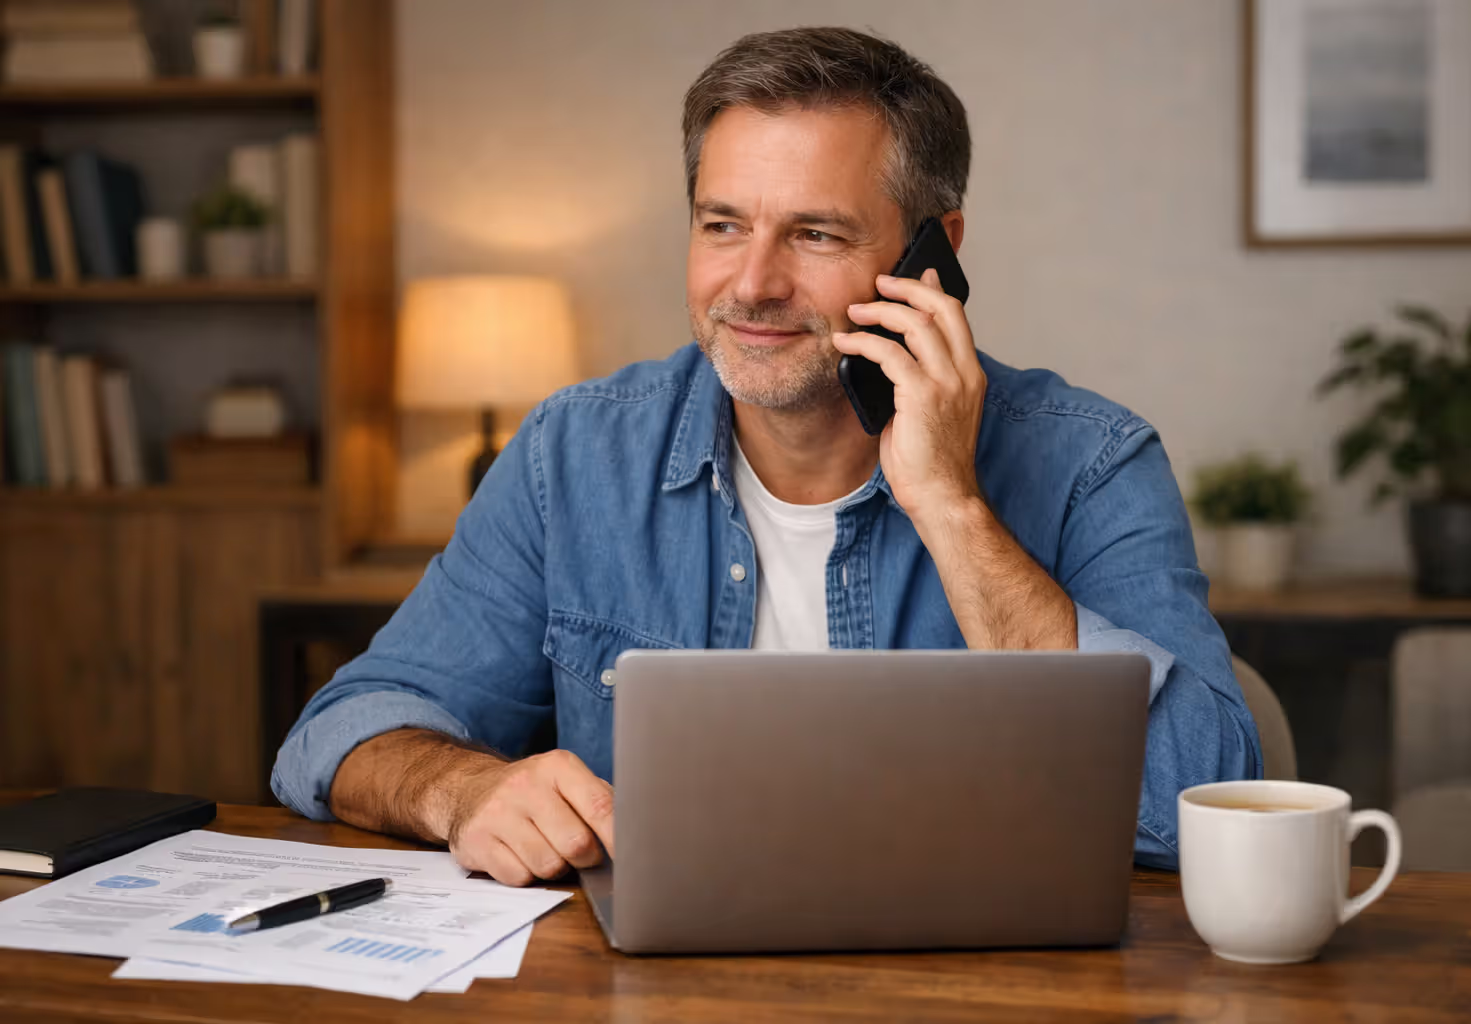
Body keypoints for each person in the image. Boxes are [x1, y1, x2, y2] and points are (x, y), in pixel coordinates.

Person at [273, 26, 1260, 882]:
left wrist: (951, 509)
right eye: (722, 225)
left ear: (937, 253)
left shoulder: (1091, 461)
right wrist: (461, 788)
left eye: (816, 233)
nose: (751, 284)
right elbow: (343, 727)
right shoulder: (572, 453)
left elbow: (1206, 803)